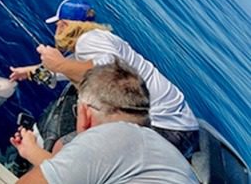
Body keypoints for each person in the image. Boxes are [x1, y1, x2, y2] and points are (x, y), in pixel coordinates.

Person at [10, 0, 199, 159]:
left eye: (58, 26)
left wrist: (59, 63)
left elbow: (110, 73)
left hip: (164, 129)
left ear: (64, 25)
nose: (56, 32)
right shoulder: (99, 40)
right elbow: (68, 69)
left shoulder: (89, 40)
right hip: (183, 127)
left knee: (69, 151)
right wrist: (28, 71)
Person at [10, 61, 199, 184]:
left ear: (85, 112)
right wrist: (32, 152)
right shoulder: (167, 154)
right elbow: (87, 170)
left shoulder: (105, 139)